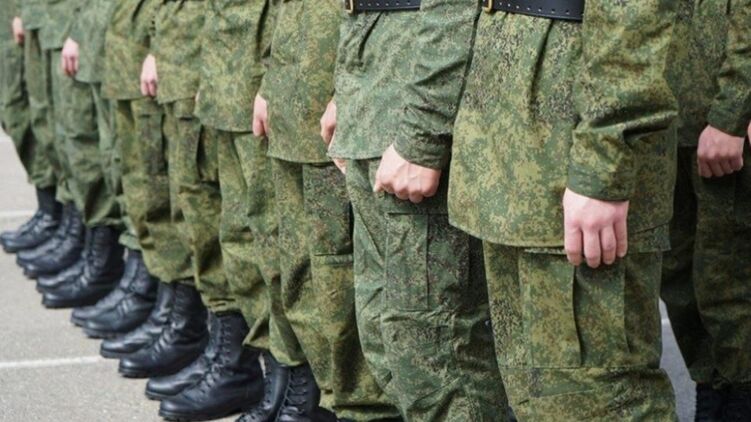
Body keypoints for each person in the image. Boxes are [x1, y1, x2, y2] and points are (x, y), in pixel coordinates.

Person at [444, 0, 680, 419]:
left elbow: (633, 16)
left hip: (570, 148)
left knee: (597, 399)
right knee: (539, 401)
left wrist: (602, 167)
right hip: (512, 152)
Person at [330, 1, 509, 420]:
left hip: (418, 103)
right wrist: (346, 91)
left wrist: (423, 135)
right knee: (389, 339)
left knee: (438, 352)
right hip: (378, 87)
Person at [249, 1, 400, 420]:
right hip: (295, 85)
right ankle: (327, 394)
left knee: (341, 272)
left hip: (339, 90)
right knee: (299, 264)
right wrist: (270, 82)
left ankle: (359, 406)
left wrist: (344, 89)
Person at [661, 0, 751, 418]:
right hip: (665, 119)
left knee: (729, 284)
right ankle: (714, 398)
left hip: (723, 122)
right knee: (683, 285)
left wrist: (735, 108)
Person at [0, 0, 59, 255]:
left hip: (31, 15)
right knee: (14, 111)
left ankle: (55, 214)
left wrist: (20, 10)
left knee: (31, 112)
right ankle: (49, 210)